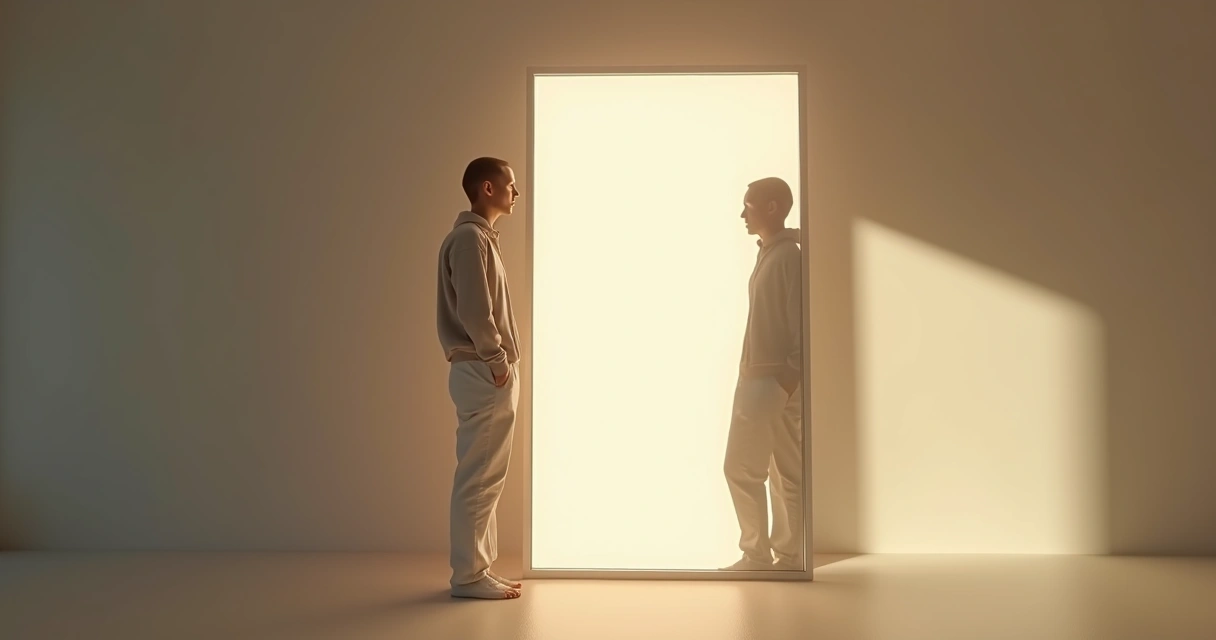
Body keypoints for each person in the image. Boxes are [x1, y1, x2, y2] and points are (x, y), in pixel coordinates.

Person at [437, 157, 524, 599]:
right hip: (481, 369)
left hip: (481, 369)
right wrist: (498, 361)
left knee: (486, 475)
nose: (516, 191)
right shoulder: (471, 239)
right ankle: (468, 576)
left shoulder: (480, 238)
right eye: (510, 184)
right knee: (479, 476)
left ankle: (478, 569)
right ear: (487, 189)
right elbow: (475, 311)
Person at [722, 177, 805, 572]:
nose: (742, 213)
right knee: (781, 470)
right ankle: (787, 557)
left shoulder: (788, 256)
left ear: (772, 207)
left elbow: (798, 319)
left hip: (769, 379)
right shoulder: (774, 252)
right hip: (770, 378)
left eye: (749, 205)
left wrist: (787, 376)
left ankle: (760, 555)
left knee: (743, 467)